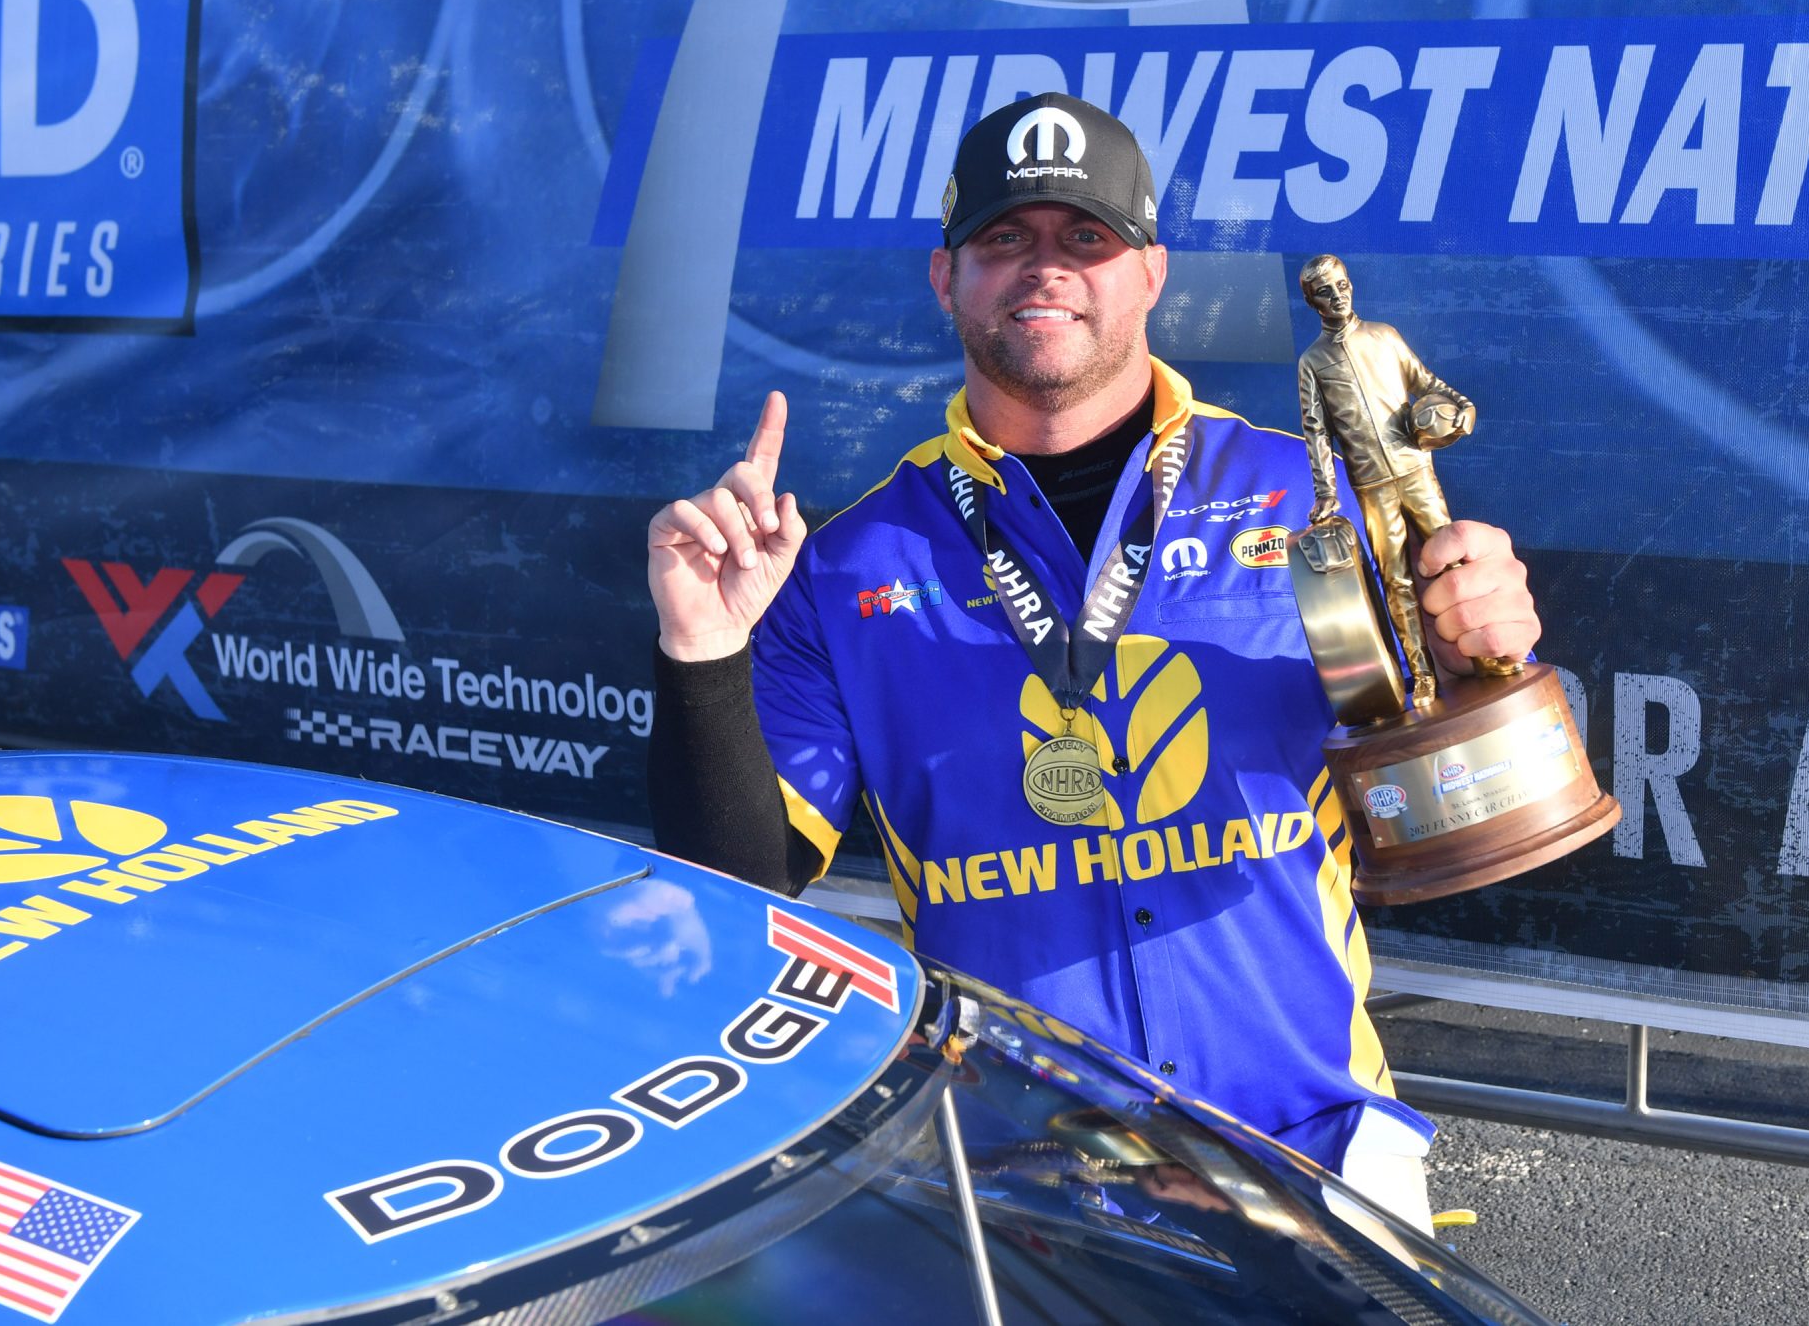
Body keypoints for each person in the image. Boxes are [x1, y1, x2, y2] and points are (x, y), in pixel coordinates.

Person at [644, 93, 1539, 1234]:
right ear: (944, 278)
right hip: (1012, 1179)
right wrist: (703, 654)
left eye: (1086, 239)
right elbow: (739, 876)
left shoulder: (1302, 499)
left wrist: (1479, 649)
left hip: (1308, 1152)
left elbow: (1429, 762)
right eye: (1003, 239)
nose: (1043, 270)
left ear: (1152, 273)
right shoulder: (850, 561)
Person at [1296, 254, 1479, 708]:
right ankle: (1422, 675)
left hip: (1416, 469)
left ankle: (1484, 660)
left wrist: (1463, 411)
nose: (1337, 296)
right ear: (1310, 301)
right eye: (1325, 291)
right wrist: (1326, 494)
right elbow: (1316, 431)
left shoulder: (1385, 336)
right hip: (1370, 484)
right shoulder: (1312, 362)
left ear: (1351, 285)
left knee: (1453, 563)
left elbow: (1427, 381)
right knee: (1395, 582)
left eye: (1342, 285)